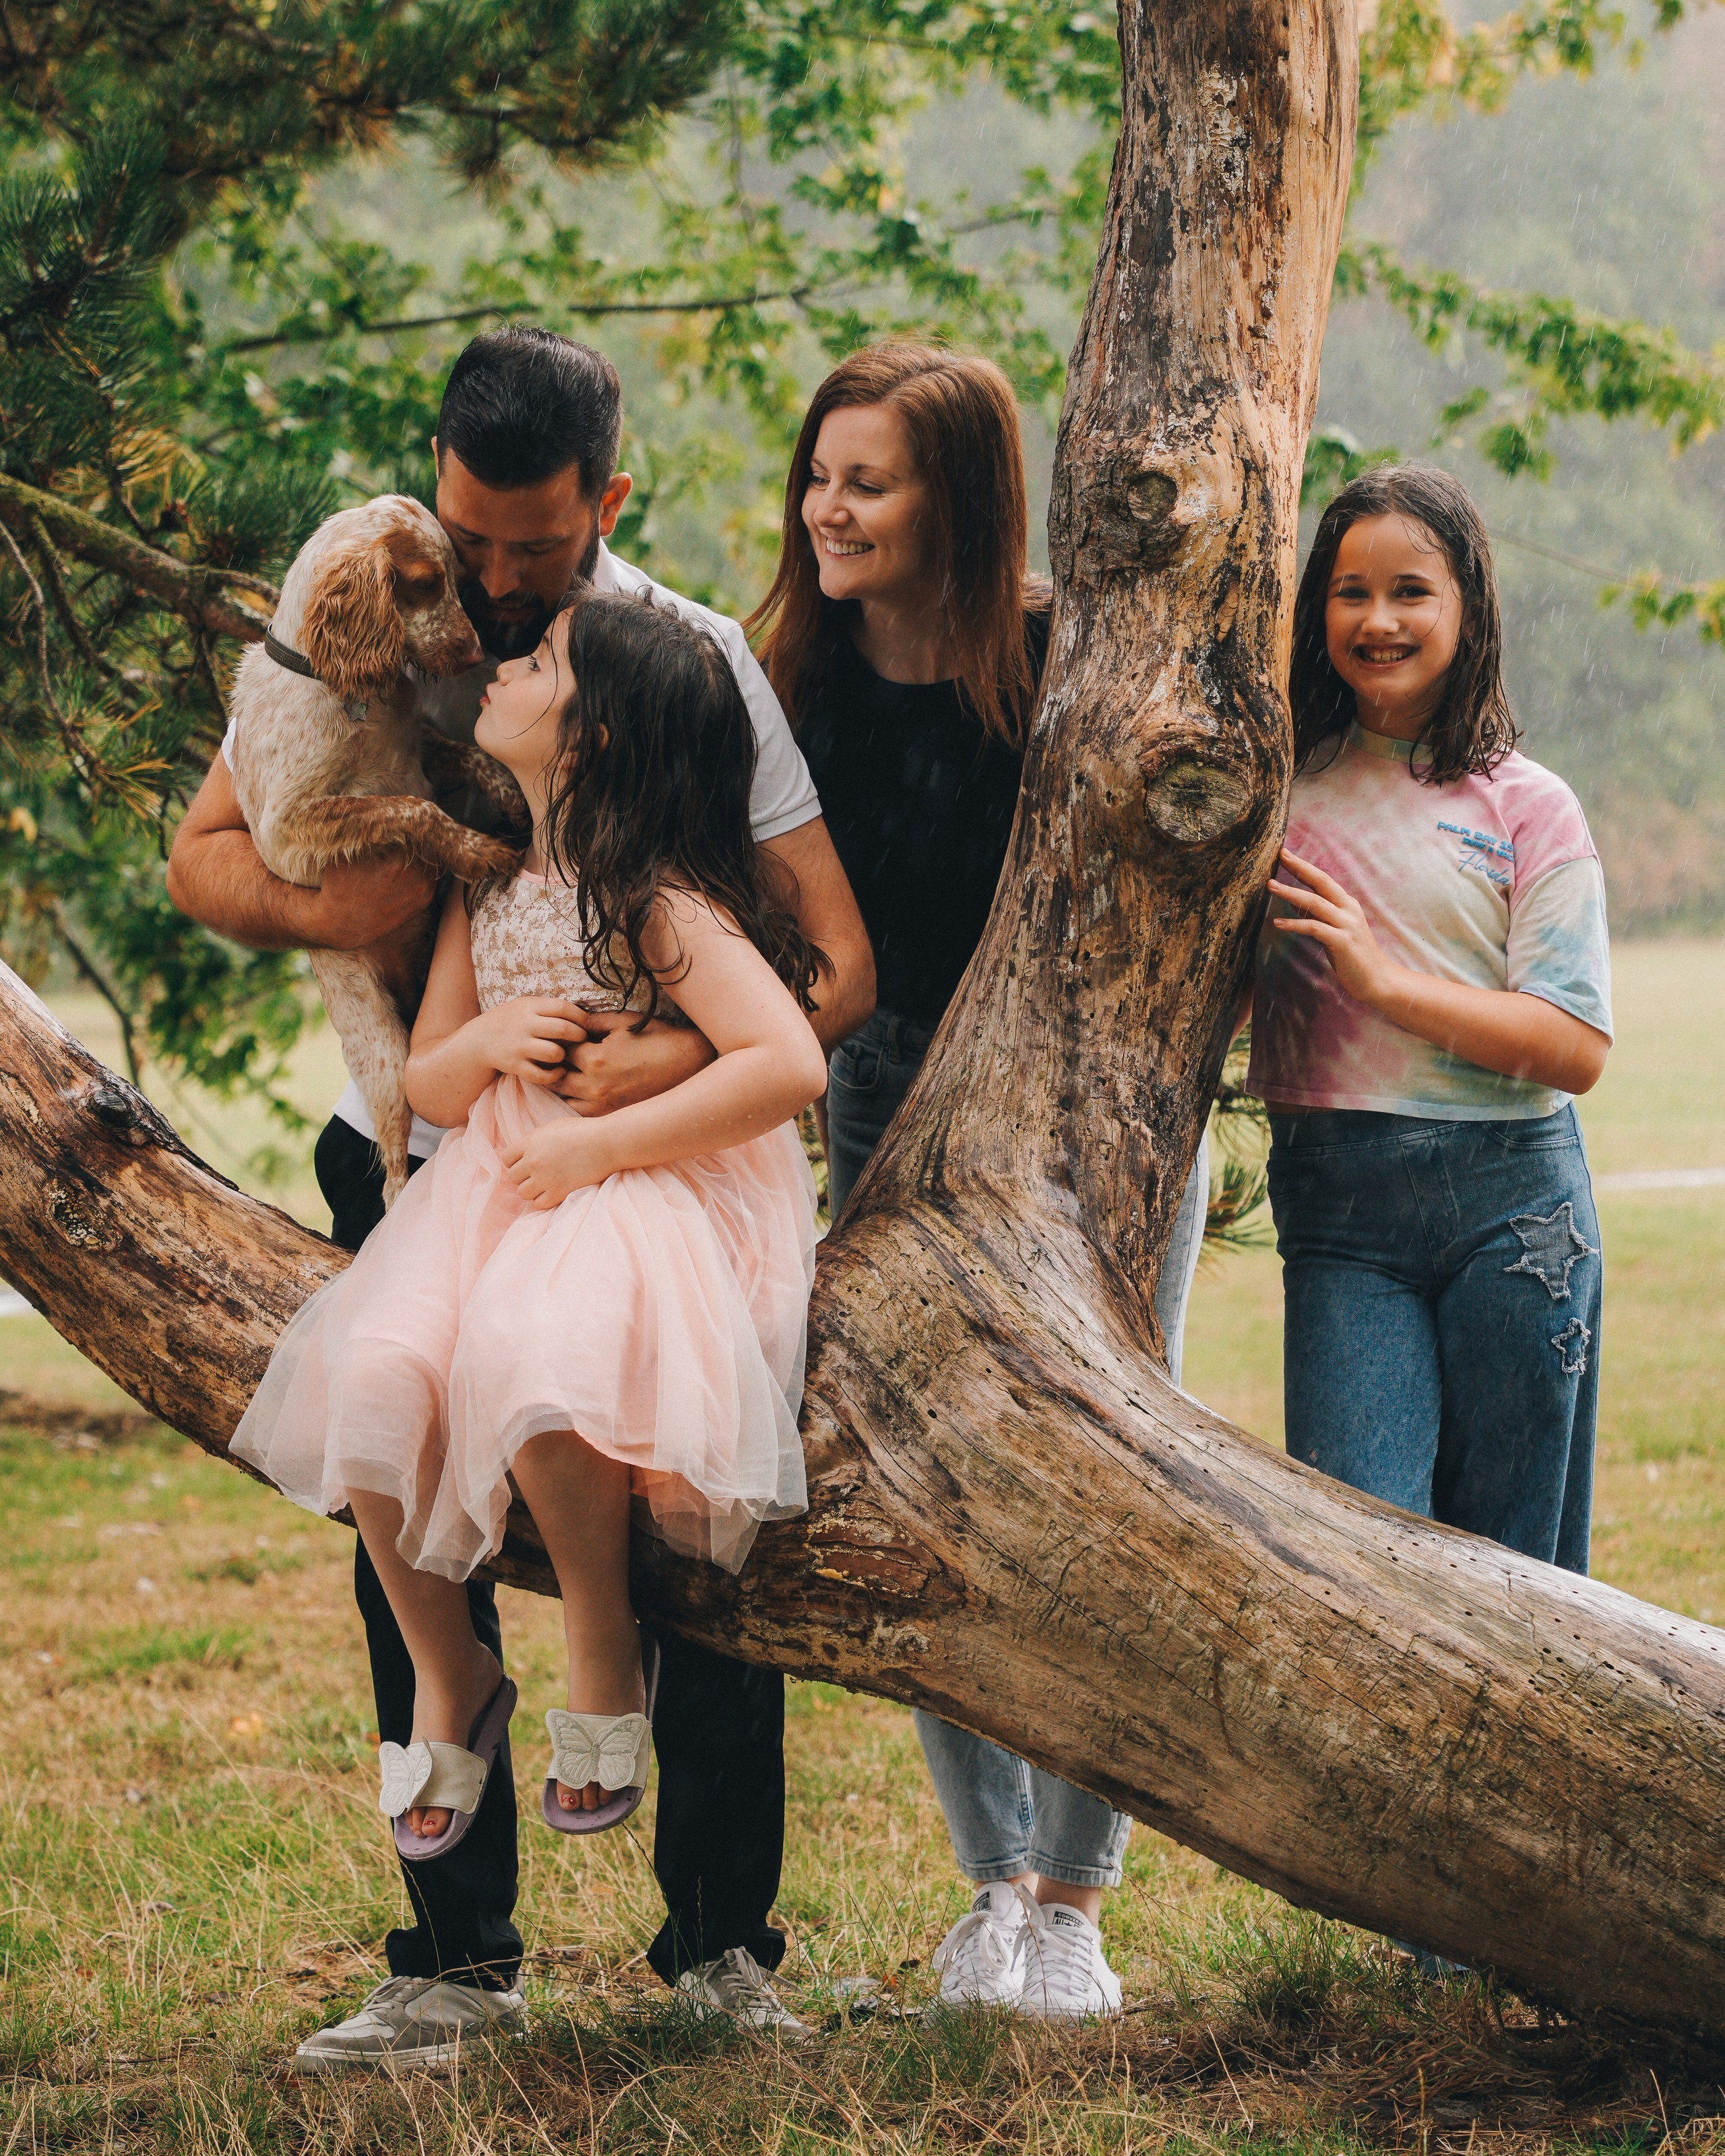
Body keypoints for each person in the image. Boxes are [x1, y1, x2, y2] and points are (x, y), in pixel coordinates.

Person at [167, 329, 875, 2067]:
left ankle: (717, 1946)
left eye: (528, 553)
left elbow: (830, 965)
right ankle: (450, 1962)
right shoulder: (370, 603)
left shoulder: (678, 663)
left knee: (684, 1514)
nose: (487, 585)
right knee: (399, 1489)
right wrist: (386, 927)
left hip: (633, 1153)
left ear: (606, 505)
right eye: (469, 539)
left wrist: (648, 1057)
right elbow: (205, 854)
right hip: (426, 1139)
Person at [749, 341, 1210, 2024]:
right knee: (924, 1482)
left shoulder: (1057, 656)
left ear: (957, 491)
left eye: (866, 480)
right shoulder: (786, 674)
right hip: (889, 1100)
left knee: (1118, 1485)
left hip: (1098, 1109)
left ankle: (1076, 1900)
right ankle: (991, 1889)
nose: (828, 507)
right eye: (819, 474)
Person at [230, 592, 829, 1867]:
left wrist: (602, 1143)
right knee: (372, 1371)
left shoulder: (656, 897)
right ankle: (455, 1676)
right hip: (495, 1185)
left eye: (543, 660)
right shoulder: (490, 882)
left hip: (638, 1186)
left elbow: (785, 1062)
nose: (507, 664)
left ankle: (604, 1658)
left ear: (595, 737)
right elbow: (432, 1084)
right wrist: (490, 1044)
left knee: (540, 1368)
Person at [1251, 463, 1611, 1581]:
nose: (1380, 619)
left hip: (1516, 1209)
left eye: (1413, 591)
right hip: (1341, 1220)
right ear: (1318, 611)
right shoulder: (1271, 789)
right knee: (1359, 1560)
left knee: (1514, 1573)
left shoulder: (1528, 803)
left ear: (1469, 610)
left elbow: (1575, 1046)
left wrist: (1381, 982)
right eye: (1350, 592)